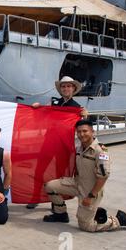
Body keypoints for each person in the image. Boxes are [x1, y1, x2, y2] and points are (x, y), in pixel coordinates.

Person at [43, 120, 126, 232]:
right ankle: (60, 214)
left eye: (85, 131)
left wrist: (90, 196)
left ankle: (117, 220)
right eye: (79, 132)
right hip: (77, 184)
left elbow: (103, 177)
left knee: (86, 226)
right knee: (50, 186)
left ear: (92, 132)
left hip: (91, 191)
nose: (82, 134)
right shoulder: (79, 148)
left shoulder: (101, 151)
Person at [27, 75, 87, 209]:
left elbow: (84, 128)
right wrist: (37, 107)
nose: (66, 88)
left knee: (60, 175)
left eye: (68, 86)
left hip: (63, 146)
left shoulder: (77, 108)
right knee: (39, 171)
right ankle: (35, 197)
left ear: (73, 89)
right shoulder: (53, 102)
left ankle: (57, 202)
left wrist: (85, 116)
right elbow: (43, 113)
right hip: (48, 143)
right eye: (63, 86)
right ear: (60, 89)